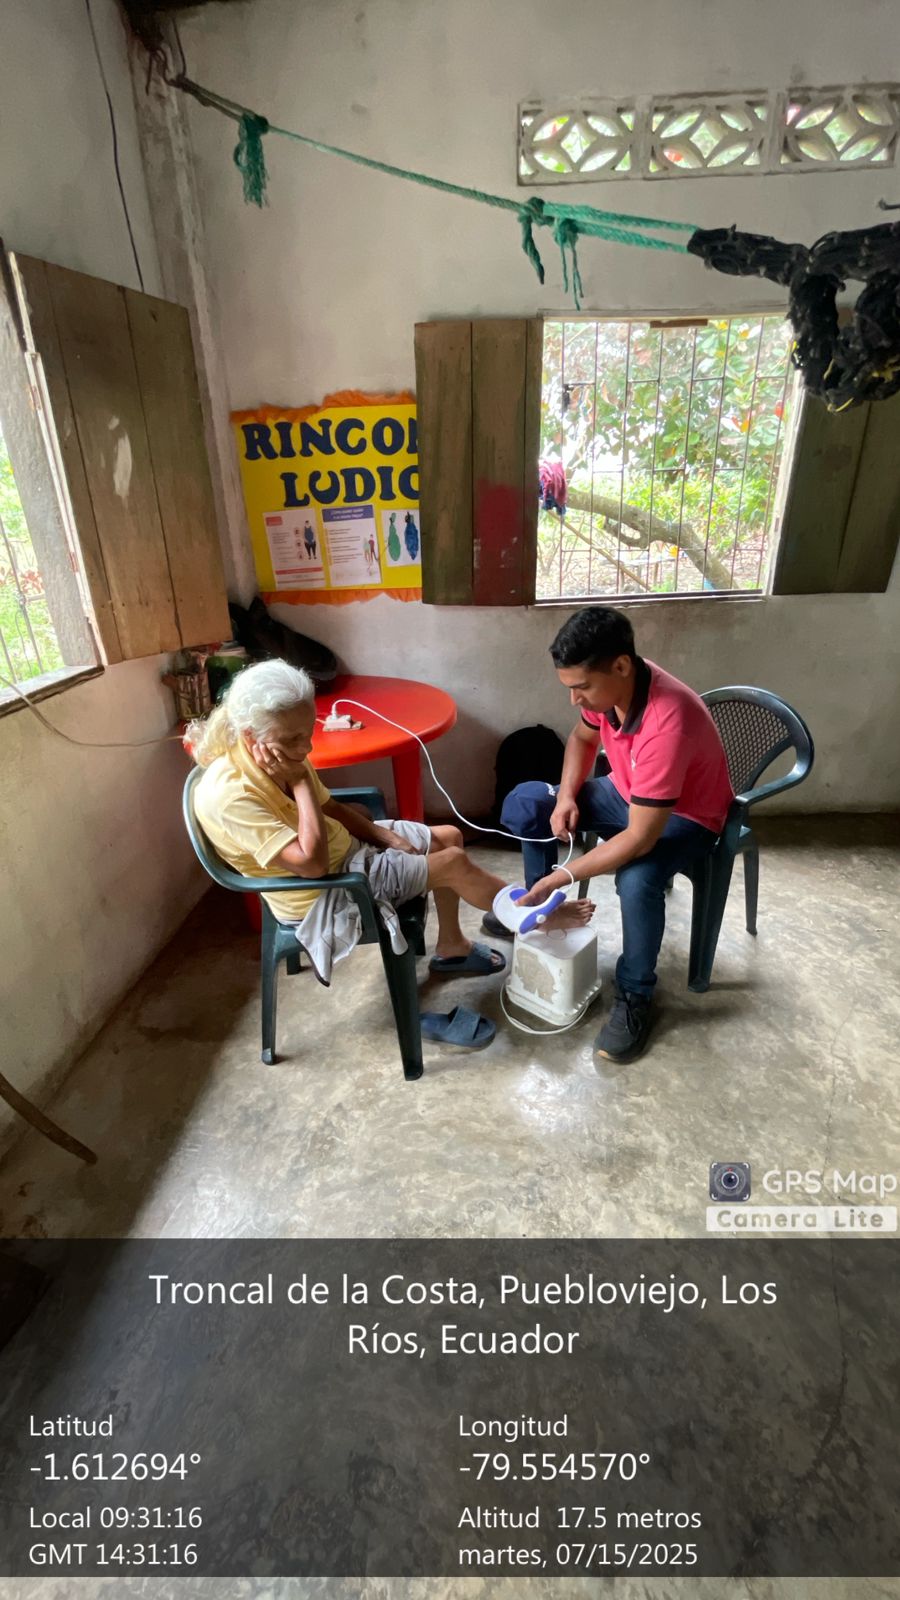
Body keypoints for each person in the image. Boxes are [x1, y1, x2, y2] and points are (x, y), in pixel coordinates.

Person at [189, 660, 593, 1002]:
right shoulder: (231, 795)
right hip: (324, 892)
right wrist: (298, 783)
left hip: (345, 853)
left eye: (308, 732)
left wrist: (383, 837)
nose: (305, 748)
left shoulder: (279, 750)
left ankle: (452, 946)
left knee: (449, 837)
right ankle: (531, 915)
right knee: (452, 862)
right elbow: (312, 866)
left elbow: (330, 807)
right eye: (293, 739)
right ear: (249, 734)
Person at [488, 607, 734, 1064]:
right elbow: (582, 740)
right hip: (627, 791)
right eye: (569, 687)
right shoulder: (614, 690)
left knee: (637, 880)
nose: (574, 700)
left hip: (687, 817)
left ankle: (635, 995)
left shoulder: (667, 722)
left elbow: (639, 838)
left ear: (621, 665)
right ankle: (540, 914)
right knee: (528, 802)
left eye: (581, 687)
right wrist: (566, 796)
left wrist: (563, 875)